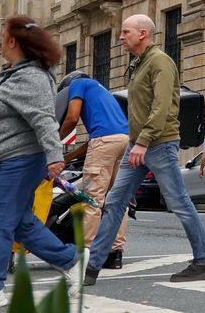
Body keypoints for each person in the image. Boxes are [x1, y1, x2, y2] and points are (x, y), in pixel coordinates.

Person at [0, 17, 86, 310]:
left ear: (13, 41)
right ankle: (72, 260)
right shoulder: (11, 74)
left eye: (2, 36)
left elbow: (44, 119)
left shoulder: (33, 78)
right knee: (20, 223)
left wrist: (55, 157)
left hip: (19, 160)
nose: (0, 41)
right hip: (1, 160)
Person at [82, 14, 205, 286]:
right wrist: (137, 142)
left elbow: (162, 105)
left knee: (179, 203)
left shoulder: (160, 62)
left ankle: (203, 261)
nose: (121, 37)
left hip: (159, 144)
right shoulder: (139, 64)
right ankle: (91, 268)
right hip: (138, 144)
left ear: (143, 34)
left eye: (125, 32)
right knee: (115, 202)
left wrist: (143, 141)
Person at [56, 70, 131, 269]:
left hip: (104, 142)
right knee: (118, 200)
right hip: (124, 141)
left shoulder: (77, 86)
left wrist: (52, 142)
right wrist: (66, 157)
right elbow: (96, 141)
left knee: (92, 199)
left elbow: (72, 118)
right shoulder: (102, 90)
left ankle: (87, 253)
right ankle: (115, 253)